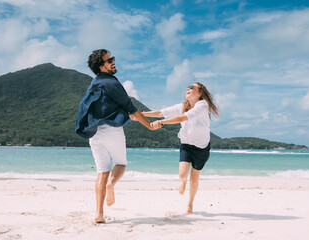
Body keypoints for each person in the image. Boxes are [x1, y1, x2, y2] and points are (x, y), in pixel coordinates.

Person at [75, 49, 159, 224]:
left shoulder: (94, 84)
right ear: (101, 66)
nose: (114, 62)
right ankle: (111, 184)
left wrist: (133, 117)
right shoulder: (111, 82)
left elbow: (110, 109)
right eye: (109, 60)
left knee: (102, 172)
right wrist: (150, 126)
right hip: (112, 131)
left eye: (113, 59)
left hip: (95, 133)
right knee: (120, 164)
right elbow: (130, 107)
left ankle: (99, 214)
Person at [142, 82, 220, 214]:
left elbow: (183, 118)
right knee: (182, 174)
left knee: (194, 178)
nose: (188, 88)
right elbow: (161, 112)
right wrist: (142, 114)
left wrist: (161, 122)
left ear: (200, 93)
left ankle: (190, 205)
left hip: (202, 148)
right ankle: (183, 182)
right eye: (187, 87)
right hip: (186, 145)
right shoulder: (182, 106)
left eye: (192, 87)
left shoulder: (202, 105)